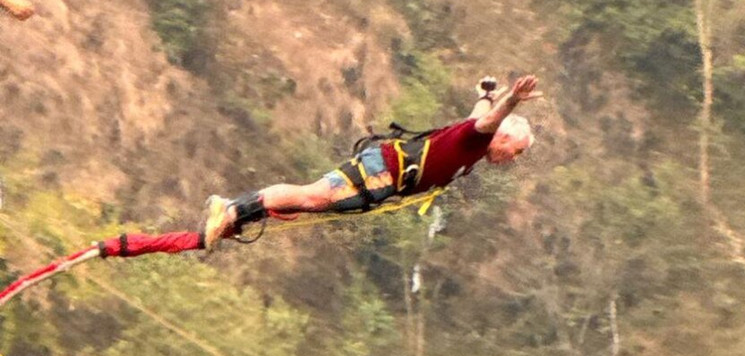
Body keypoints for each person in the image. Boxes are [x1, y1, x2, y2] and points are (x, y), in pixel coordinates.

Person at [202, 74, 542, 250]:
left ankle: (236, 214)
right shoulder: (478, 138)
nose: (514, 159)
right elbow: (489, 119)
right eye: (518, 151)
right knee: (310, 196)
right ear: (505, 137)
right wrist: (511, 98)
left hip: (384, 175)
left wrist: (485, 93)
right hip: (381, 170)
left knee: (308, 202)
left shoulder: (473, 145)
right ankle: (230, 211)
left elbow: (480, 111)